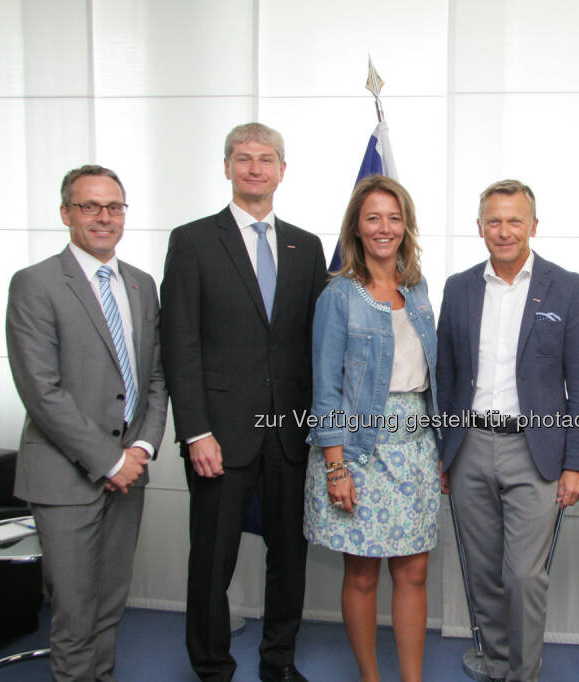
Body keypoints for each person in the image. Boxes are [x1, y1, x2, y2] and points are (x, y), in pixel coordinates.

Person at [160, 122, 327, 682]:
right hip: (219, 435)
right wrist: (194, 431)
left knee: (289, 559)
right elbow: (179, 342)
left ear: (283, 169)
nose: (254, 167)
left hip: (289, 432)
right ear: (226, 166)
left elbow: (311, 341)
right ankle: (211, 667)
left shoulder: (307, 246)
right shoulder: (193, 240)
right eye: (243, 158)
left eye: (265, 158)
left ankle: (278, 663)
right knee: (212, 561)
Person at [6, 164, 168, 680]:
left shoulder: (141, 285)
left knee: (109, 607)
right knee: (75, 616)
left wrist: (140, 448)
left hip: (129, 473)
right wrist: (109, 459)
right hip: (67, 477)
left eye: (114, 206)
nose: (104, 217)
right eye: (90, 206)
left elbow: (156, 377)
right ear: (65, 213)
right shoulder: (36, 283)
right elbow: (41, 389)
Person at [436, 179, 579, 682]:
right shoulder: (459, 287)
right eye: (494, 220)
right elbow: (445, 374)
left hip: (537, 451)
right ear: (479, 226)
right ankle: (498, 661)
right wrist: (445, 451)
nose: (504, 231)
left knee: (524, 575)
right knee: (483, 573)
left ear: (533, 225)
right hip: (470, 448)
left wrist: (578, 463)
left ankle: (523, 674)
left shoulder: (566, 286)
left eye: (515, 220)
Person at [304, 175, 440, 682]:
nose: (384, 228)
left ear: (406, 227)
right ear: (356, 229)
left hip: (417, 448)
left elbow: (432, 377)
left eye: (394, 217)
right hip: (358, 451)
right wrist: (335, 467)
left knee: (414, 572)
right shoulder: (339, 296)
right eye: (373, 218)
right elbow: (325, 389)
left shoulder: (419, 290)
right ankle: (371, 677)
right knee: (362, 573)